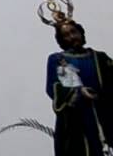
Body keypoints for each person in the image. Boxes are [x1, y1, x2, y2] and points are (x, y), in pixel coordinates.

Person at [46, 20, 113, 154]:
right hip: (75, 118)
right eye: (66, 35)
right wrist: (79, 92)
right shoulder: (57, 59)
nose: (72, 37)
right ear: (61, 39)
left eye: (73, 32)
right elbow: (53, 86)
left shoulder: (100, 57)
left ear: (80, 33)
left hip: (103, 112)